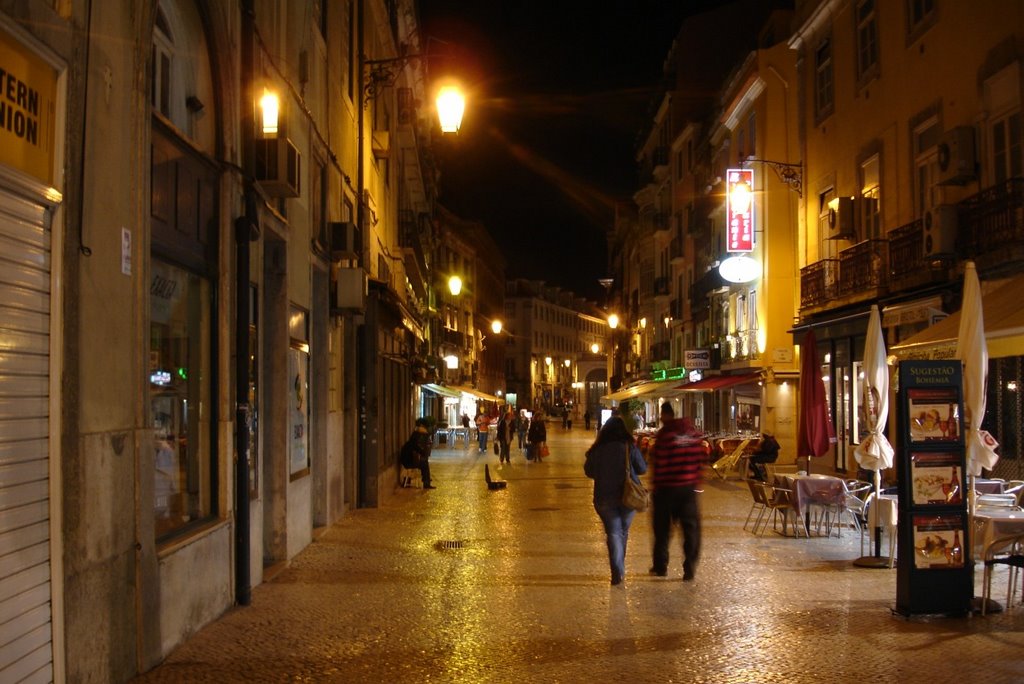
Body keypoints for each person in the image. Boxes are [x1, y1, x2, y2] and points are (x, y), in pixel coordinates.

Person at [584, 416, 648, 586]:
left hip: (604, 496)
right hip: (628, 497)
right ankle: (620, 566)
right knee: (623, 532)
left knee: (613, 532)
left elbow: (589, 471)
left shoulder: (599, 448)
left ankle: (617, 572)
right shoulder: (629, 447)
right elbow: (642, 468)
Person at [648, 402, 709, 581]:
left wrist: (655, 485)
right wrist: (696, 481)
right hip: (688, 490)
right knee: (691, 530)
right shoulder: (694, 435)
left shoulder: (664, 436)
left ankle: (661, 567)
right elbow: (702, 460)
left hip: (666, 489)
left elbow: (659, 464)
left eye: (661, 414)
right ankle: (689, 568)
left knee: (662, 530)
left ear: (666, 415)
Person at [400, 424, 435, 489]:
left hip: (406, 462)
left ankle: (426, 479)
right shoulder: (413, 443)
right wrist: (424, 452)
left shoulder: (410, 442)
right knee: (425, 464)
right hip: (409, 463)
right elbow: (420, 451)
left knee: (424, 462)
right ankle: (426, 482)